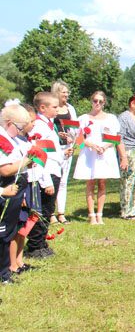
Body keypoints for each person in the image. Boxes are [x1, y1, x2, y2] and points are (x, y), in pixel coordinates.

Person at [27, 92, 71, 258]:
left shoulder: (49, 125)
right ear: (42, 108)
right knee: (42, 210)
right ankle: (35, 246)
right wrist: (46, 181)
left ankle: (41, 242)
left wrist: (63, 152)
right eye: (54, 107)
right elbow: (39, 156)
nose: (58, 109)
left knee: (48, 208)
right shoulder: (38, 126)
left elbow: (50, 150)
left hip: (54, 169)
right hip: (46, 173)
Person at [73, 91, 124, 224]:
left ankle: (99, 214)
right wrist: (91, 144)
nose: (97, 104)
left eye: (100, 101)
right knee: (90, 182)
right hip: (90, 153)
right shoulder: (83, 118)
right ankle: (91, 214)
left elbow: (115, 138)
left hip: (105, 153)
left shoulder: (111, 118)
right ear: (91, 101)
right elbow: (78, 138)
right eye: (95, 101)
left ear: (104, 103)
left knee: (102, 183)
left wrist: (106, 146)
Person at [0, 103, 33, 283]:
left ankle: (4, 272)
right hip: (5, 189)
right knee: (3, 232)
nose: (21, 131)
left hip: (15, 189)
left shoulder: (11, 139)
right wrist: (28, 160)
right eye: (19, 127)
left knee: (10, 230)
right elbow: (4, 170)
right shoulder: (2, 139)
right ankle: (4, 274)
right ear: (9, 122)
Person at [51, 80, 77, 224]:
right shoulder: (51, 108)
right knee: (53, 179)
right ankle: (50, 212)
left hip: (67, 148)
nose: (66, 95)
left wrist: (71, 141)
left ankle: (61, 212)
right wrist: (57, 136)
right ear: (56, 93)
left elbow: (75, 128)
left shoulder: (70, 109)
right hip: (54, 149)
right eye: (64, 92)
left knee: (63, 181)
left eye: (68, 92)